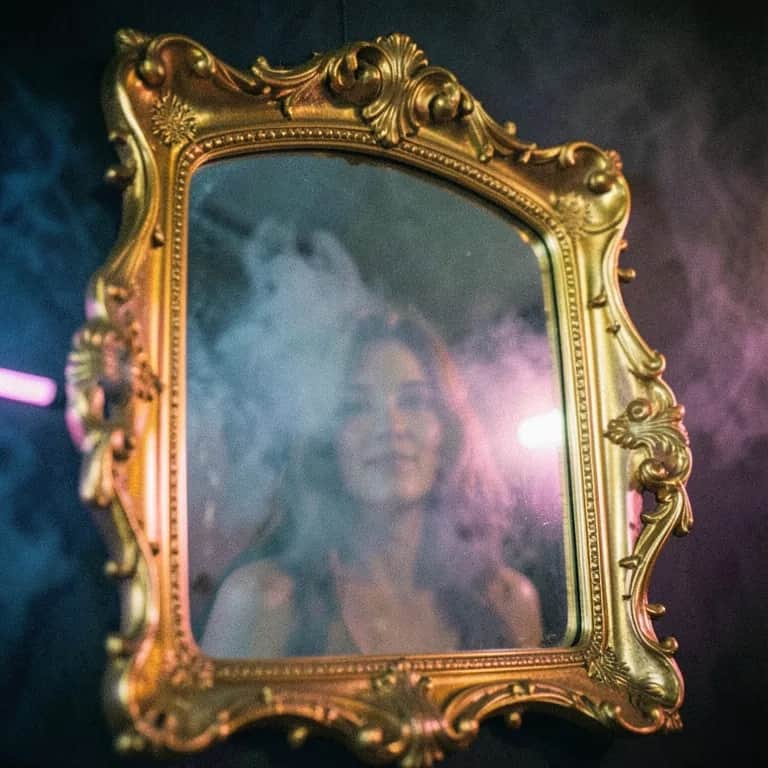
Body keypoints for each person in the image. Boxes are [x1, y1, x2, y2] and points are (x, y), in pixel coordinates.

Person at [200, 308, 542, 658]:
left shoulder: (506, 601)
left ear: (446, 429)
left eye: (414, 401)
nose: (391, 426)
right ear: (327, 440)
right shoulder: (261, 602)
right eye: (356, 406)